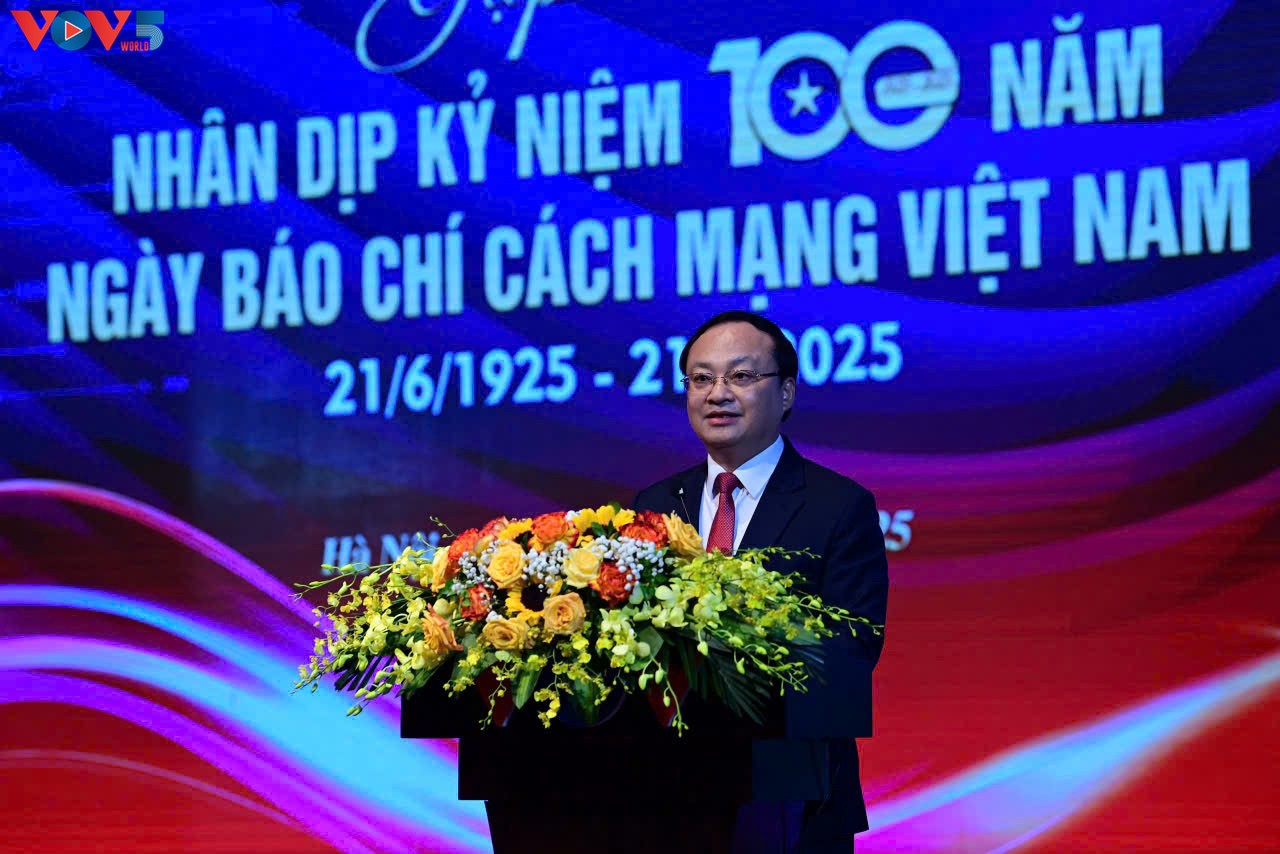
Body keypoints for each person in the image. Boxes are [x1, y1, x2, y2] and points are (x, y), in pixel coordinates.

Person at [633, 310, 889, 853]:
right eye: (701, 379)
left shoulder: (838, 506)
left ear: (787, 392)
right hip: (664, 799)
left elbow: (854, 647)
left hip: (794, 798)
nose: (717, 394)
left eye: (741, 376)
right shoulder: (654, 506)